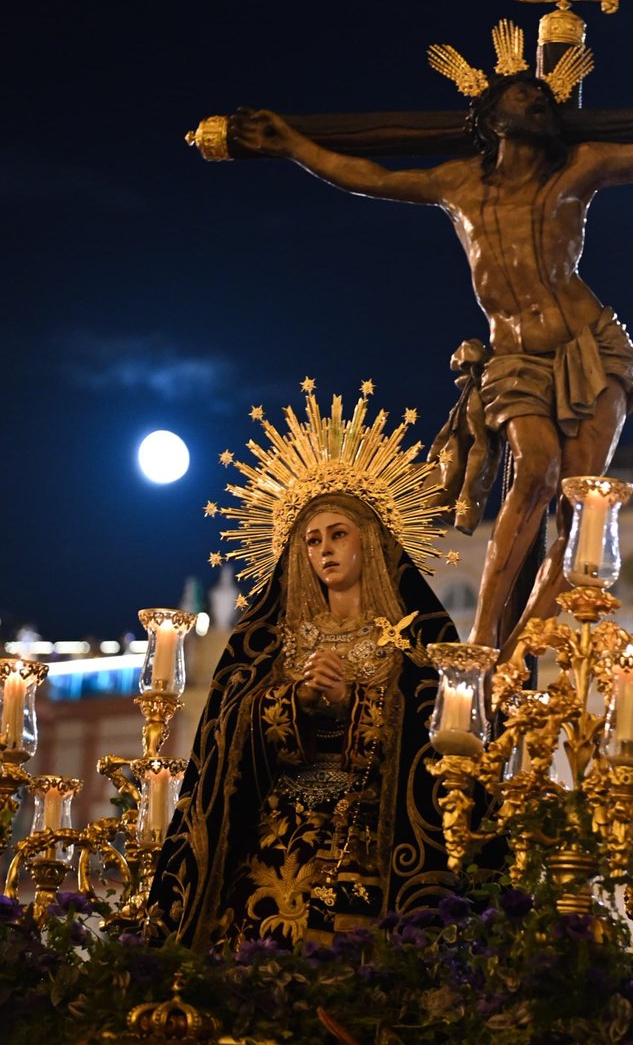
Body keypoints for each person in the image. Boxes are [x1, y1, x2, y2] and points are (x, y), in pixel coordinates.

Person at [228, 76, 633, 660]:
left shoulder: (580, 170)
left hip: (591, 348)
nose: (540, 101)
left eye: (546, 97)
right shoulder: (458, 185)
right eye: (523, 94)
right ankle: (482, 637)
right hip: (513, 357)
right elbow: (365, 173)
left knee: (579, 510)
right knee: (535, 468)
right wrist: (288, 143)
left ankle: (519, 656)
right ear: (491, 115)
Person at [146, 394, 460, 949]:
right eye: (312, 541)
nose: (325, 551)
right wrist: (292, 702)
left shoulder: (415, 643)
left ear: (372, 539)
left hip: (370, 846)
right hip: (271, 850)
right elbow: (225, 737)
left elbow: (438, 739)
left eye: (338, 534)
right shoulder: (272, 643)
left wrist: (354, 704)